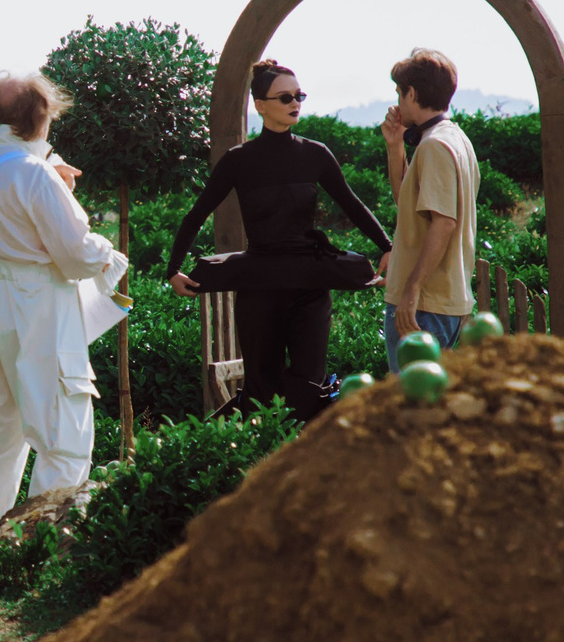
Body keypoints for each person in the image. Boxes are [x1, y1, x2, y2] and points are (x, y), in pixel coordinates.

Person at [0, 72, 130, 545]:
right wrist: (110, 253)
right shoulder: (35, 174)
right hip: (37, 303)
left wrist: (49, 166)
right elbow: (76, 255)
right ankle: (42, 541)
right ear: (37, 118)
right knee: (61, 429)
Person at [166, 60, 393, 422]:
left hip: (310, 285)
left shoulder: (315, 153)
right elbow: (197, 214)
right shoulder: (238, 160)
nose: (295, 103)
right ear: (260, 104)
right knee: (259, 388)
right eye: (285, 97)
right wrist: (173, 270)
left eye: (299, 95)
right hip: (260, 288)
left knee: (309, 386)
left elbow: (352, 204)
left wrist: (388, 247)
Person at [378, 47, 480, 370]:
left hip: (424, 304)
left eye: (399, 92)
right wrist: (395, 146)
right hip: (444, 301)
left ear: (412, 93)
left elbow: (444, 222)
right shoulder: (455, 139)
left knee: (415, 408)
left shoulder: (435, 146)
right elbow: (408, 203)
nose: (396, 101)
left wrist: (412, 289)